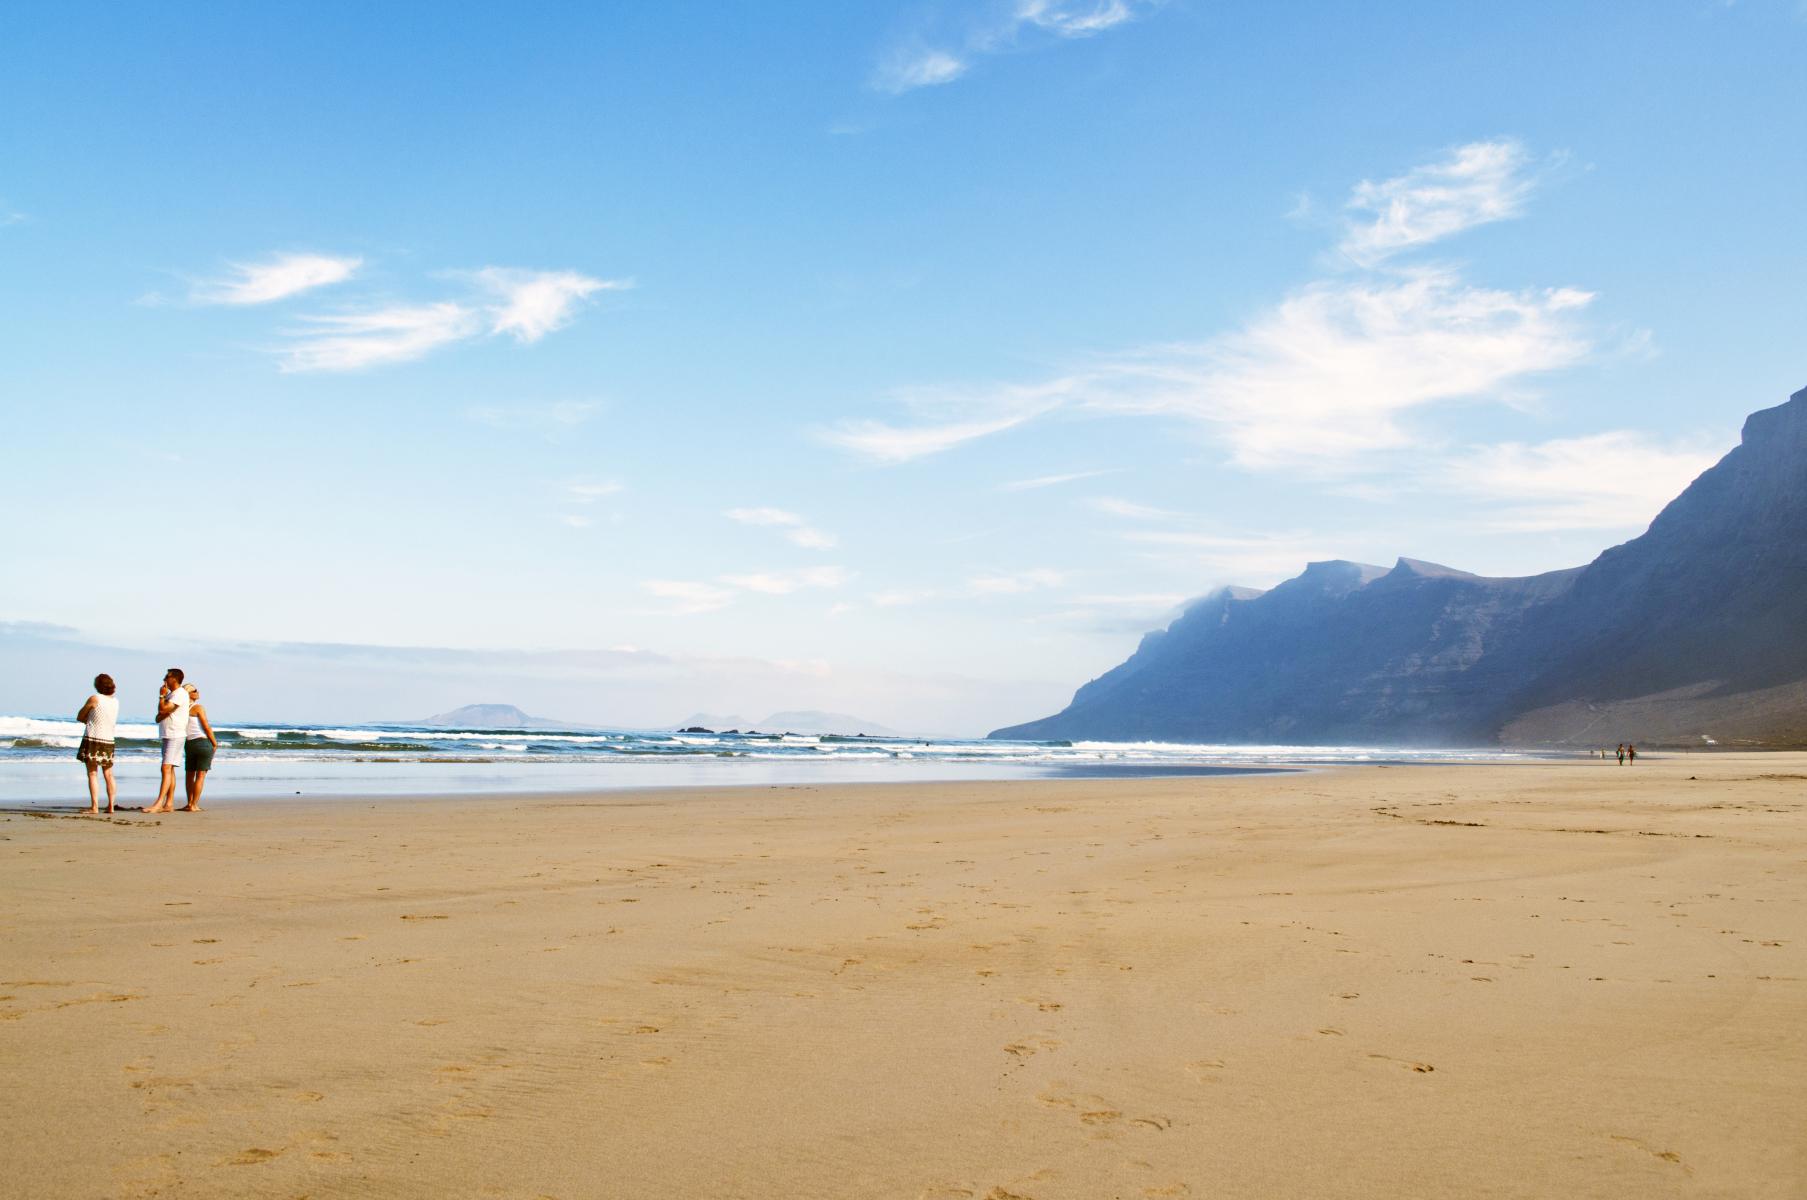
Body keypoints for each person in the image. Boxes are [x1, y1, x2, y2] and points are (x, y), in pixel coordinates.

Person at [143, 668, 190, 814]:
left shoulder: (180, 694)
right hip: (168, 734)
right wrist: (163, 703)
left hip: (175, 734)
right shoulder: (171, 694)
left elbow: (163, 710)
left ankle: (159, 803)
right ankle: (168, 803)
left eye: (167, 677)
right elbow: (159, 715)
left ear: (174, 679)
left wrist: (161, 697)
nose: (164, 679)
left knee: (166, 768)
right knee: (169, 769)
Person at [75, 673, 120, 814]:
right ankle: (111, 805)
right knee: (108, 774)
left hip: (94, 738)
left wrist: (89, 719)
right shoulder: (115, 701)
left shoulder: (95, 698)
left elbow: (80, 716)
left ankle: (94, 807)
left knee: (93, 774)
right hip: (109, 739)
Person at [182, 684, 219, 811]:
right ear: (189, 694)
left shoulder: (181, 709)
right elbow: (206, 726)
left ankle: (189, 803)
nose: (198, 692)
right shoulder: (198, 707)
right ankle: (194, 804)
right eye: (195, 690)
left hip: (189, 743)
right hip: (202, 742)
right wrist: (214, 743)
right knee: (200, 776)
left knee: (189, 775)